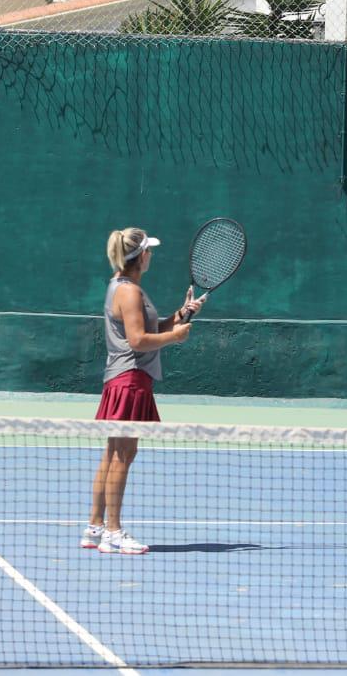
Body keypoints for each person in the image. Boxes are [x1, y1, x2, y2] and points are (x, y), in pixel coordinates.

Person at [80, 227, 203, 555]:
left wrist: (181, 315)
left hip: (123, 378)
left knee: (111, 453)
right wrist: (176, 337)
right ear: (140, 256)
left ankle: (95, 526)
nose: (152, 255)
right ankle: (114, 532)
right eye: (149, 250)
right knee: (123, 454)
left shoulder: (123, 287)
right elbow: (138, 341)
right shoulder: (130, 292)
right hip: (130, 380)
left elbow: (150, 329)